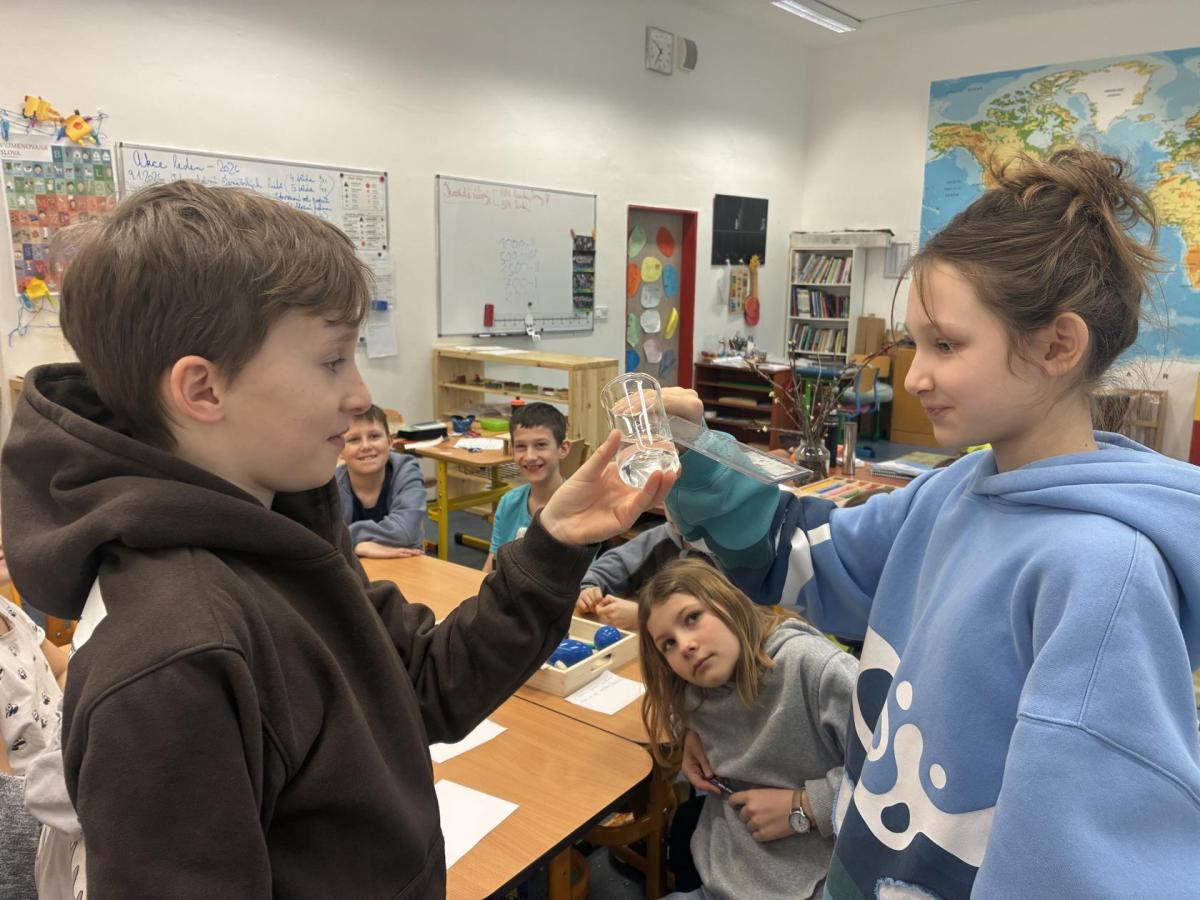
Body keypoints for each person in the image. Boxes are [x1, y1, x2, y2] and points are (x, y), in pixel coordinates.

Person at [0, 180, 675, 897]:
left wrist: (554, 539)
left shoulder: (283, 523)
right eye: (331, 361)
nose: (360, 395)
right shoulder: (176, 657)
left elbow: (424, 682)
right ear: (202, 390)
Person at [662, 149, 1200, 898]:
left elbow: (1080, 865)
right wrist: (693, 450)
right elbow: (800, 557)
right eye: (916, 343)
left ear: (1058, 345)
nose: (914, 376)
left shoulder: (1102, 572)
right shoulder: (952, 492)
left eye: (946, 344)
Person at [640, 559, 857, 900]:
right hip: (723, 876)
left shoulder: (814, 667)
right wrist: (688, 734)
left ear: (730, 602)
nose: (685, 646)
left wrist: (804, 805)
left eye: (692, 618)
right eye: (668, 643)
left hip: (818, 882)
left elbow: (898, 775)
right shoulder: (693, 689)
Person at [575, 513, 714, 631]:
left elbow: (719, 614)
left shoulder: (723, 550)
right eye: (667, 501)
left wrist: (646, 617)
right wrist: (589, 587)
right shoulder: (662, 536)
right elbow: (616, 564)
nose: (672, 513)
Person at [482, 402, 571, 574]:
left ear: (563, 448)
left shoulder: (577, 506)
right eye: (521, 446)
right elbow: (492, 567)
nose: (530, 456)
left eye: (541, 445)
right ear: (512, 450)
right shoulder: (508, 503)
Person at [335, 404, 428, 558]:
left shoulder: (406, 473)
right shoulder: (331, 485)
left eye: (374, 436)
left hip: (404, 562)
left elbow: (404, 532)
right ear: (340, 449)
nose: (366, 446)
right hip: (351, 566)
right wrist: (358, 547)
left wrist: (352, 541)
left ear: (390, 442)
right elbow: (320, 540)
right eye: (354, 439)